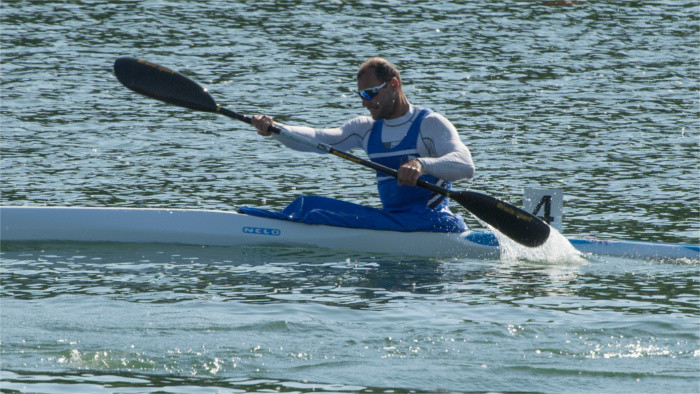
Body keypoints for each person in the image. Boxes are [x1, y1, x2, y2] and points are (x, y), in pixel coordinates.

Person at [242, 57, 475, 233]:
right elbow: (319, 139)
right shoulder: (366, 128)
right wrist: (275, 128)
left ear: (393, 85)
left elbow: (465, 165)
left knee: (316, 213)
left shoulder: (429, 124)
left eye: (371, 94)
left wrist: (421, 165)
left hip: (431, 222)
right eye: (361, 96)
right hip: (393, 218)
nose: (366, 103)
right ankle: (262, 226)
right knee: (306, 203)